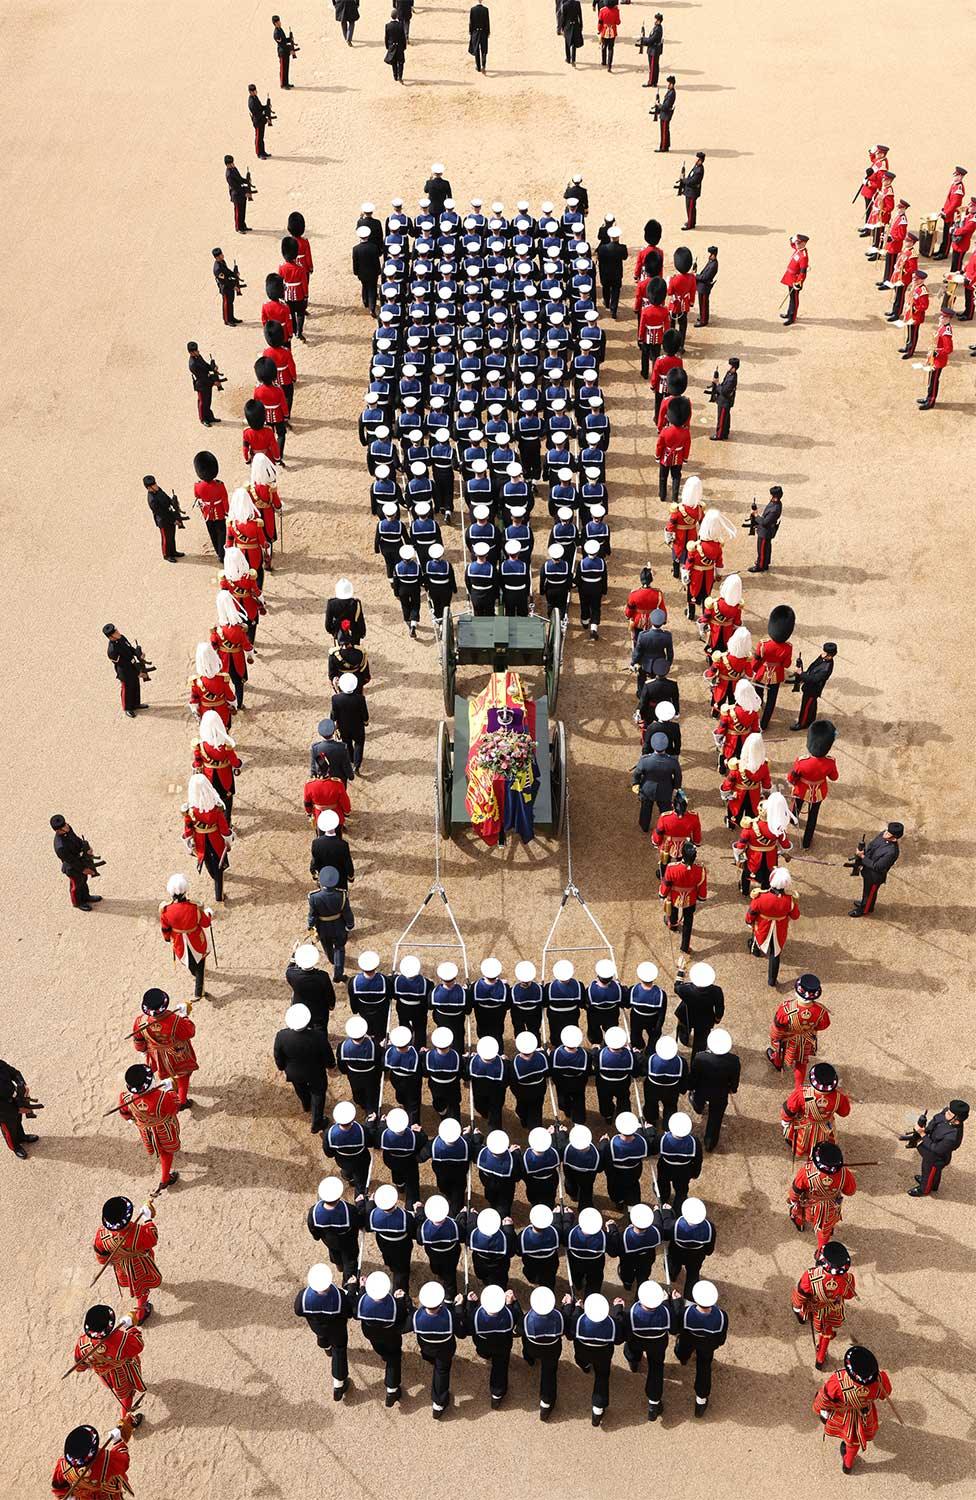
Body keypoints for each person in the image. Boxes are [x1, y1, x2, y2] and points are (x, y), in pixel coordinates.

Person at [812, 1345, 892, 1474]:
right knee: (854, 1442)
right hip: (864, 1415)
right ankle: (848, 1464)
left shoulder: (838, 1381)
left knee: (823, 1403)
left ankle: (825, 1416)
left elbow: (824, 1399)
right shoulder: (880, 1380)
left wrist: (818, 1409)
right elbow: (885, 1393)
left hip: (842, 1415)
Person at [70, 1305, 145, 1420]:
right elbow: (138, 1345)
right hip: (123, 1373)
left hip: (105, 1376)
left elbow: (80, 1366)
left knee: (123, 1394)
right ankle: (126, 1421)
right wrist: (130, 1327)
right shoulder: (119, 1338)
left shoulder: (82, 1342)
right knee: (127, 1396)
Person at [117, 1063, 181, 1191]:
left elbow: (125, 1113)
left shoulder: (125, 1098)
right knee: (166, 1152)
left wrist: (130, 1120)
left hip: (146, 1130)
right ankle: (165, 1179)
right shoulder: (164, 1097)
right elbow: (174, 1109)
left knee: (161, 1149)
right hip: (164, 1129)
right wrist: (170, 1090)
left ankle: (165, 1176)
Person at [792, 1241, 856, 1369]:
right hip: (832, 1309)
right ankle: (820, 1359)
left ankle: (801, 1316)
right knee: (826, 1332)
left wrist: (797, 1306)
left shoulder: (810, 1276)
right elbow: (849, 1295)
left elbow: (801, 1294)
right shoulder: (849, 1279)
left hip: (814, 1306)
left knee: (801, 1306)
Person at [132, 988, 198, 1110]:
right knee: (183, 1075)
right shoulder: (175, 1020)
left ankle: (166, 1087)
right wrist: (184, 1016)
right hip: (177, 1054)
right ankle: (182, 1101)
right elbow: (190, 1032)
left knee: (158, 1072)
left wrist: (142, 1050)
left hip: (155, 1054)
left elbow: (138, 1040)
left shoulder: (140, 1021)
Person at [294, 1263, 353, 1400]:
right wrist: (351, 1289)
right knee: (339, 1350)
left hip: (317, 1327)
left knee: (322, 1336)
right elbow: (349, 1312)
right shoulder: (338, 1297)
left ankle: (326, 1347)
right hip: (337, 1330)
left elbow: (298, 1311)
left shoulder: (303, 1296)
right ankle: (339, 1384)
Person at [353, 1269, 411, 1406]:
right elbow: (402, 1316)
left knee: (378, 1347)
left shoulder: (362, 1300)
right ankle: (392, 1390)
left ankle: (383, 1355)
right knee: (393, 1358)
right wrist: (402, 1299)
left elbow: (355, 1312)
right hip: (390, 1336)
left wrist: (362, 1288)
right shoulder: (394, 1305)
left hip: (370, 1333)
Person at [274, 1003, 334, 1133]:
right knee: (318, 1093)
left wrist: (282, 1067)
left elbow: (278, 1055)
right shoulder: (318, 1036)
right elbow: (327, 1054)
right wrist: (331, 1065)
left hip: (294, 1072)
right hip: (316, 1072)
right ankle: (317, 1121)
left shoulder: (282, 1036)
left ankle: (306, 1105)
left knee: (300, 1088)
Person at [672, 1280, 728, 1417]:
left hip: (688, 1340)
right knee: (704, 1369)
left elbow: (676, 1327)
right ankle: (701, 1402)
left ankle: (683, 1358)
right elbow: (721, 1339)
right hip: (707, 1346)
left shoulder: (686, 1313)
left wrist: (677, 1302)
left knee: (683, 1350)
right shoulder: (721, 1316)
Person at [569, 1291, 626, 1426]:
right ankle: (598, 1409)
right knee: (602, 1377)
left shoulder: (578, 1321)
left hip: (583, 1353)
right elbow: (618, 1340)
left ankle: (585, 1367)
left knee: (582, 1361)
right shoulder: (612, 1324)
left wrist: (577, 1308)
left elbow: (570, 1335)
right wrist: (618, 1309)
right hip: (603, 1356)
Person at [789, 1141, 856, 1249]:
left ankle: (799, 1222)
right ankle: (821, 1250)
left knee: (798, 1210)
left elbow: (795, 1190)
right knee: (825, 1231)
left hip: (809, 1206)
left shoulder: (806, 1172)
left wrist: (793, 1200)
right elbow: (850, 1191)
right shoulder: (845, 1174)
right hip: (830, 1208)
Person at [413, 1282, 466, 1417]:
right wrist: (459, 1307)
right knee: (441, 1373)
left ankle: (438, 1404)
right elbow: (461, 1334)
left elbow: (403, 1328)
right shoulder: (450, 1316)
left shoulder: (417, 1317)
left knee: (433, 1362)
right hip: (445, 1351)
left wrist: (405, 1303)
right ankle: (438, 1404)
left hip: (427, 1349)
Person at [767, 973, 830, 1088]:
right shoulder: (821, 1011)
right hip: (806, 1039)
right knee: (802, 1062)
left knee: (780, 1051)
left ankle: (777, 1063)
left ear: (797, 991)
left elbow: (777, 1028)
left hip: (788, 1039)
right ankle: (798, 1088)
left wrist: (775, 1038)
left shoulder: (786, 1008)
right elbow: (824, 1025)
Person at [781, 1060, 850, 1160]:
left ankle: (799, 1147)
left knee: (800, 1138)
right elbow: (844, 1112)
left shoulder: (801, 1093)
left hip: (805, 1126)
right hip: (825, 1127)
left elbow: (789, 1109)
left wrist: (785, 1121)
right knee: (824, 1141)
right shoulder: (840, 1098)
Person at [51, 1419, 134, 1500]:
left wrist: (68, 1497)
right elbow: (124, 1461)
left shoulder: (63, 1465)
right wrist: (117, 1441)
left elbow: (58, 1486)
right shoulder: (106, 1459)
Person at [787, 718, 838, 847]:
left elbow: (792, 779)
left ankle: (793, 819)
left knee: (797, 805)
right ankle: (806, 843)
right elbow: (834, 777)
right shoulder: (830, 762)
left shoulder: (802, 761)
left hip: (802, 790)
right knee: (813, 817)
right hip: (819, 792)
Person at [159, 873, 212, 999]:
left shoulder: (165, 910)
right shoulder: (194, 907)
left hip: (179, 941)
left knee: (189, 962)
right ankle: (199, 991)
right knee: (200, 963)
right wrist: (209, 914)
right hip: (196, 939)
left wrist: (167, 938)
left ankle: (195, 975)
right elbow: (206, 923)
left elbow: (165, 929)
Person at [901, 1099, 968, 1197]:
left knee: (929, 1171)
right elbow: (937, 1118)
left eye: (949, 1114)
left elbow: (936, 1149)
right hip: (931, 1151)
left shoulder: (952, 1137)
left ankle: (925, 1189)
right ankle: (933, 1184)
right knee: (934, 1172)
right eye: (948, 1110)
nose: (946, 1113)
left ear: (957, 1120)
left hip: (936, 1158)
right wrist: (926, 1129)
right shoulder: (947, 1114)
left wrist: (922, 1134)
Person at [182, 772, 232, 902]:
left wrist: (188, 842)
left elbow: (188, 829)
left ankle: (214, 877)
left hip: (200, 839)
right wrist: (229, 839)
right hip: (216, 839)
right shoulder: (216, 809)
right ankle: (218, 894)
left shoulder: (190, 811)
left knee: (207, 861)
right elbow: (224, 828)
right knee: (218, 867)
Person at [746, 867, 800, 986]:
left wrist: (749, 921)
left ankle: (755, 951)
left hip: (762, 924)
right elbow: (795, 916)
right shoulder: (789, 900)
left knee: (757, 936)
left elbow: (751, 913)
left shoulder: (760, 897)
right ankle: (772, 980)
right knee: (775, 953)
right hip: (780, 927)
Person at [688, 1028, 740, 1150]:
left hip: (702, 1090)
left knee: (698, 1100)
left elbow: (694, 1077)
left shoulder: (700, 1057)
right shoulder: (733, 1061)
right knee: (716, 1118)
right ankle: (709, 1143)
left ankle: (698, 1107)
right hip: (720, 1093)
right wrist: (733, 1089)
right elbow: (734, 1079)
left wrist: (690, 1086)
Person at [307, 1177, 363, 1284]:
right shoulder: (349, 1210)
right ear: (338, 1197)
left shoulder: (314, 1211)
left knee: (334, 1252)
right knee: (350, 1261)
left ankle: (339, 1266)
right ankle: (348, 1282)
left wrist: (317, 1237)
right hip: (348, 1241)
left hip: (329, 1240)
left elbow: (313, 1228)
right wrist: (361, 1204)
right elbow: (360, 1222)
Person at [521, 1285, 565, 1420]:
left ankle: (529, 1359)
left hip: (533, 1348)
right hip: (552, 1350)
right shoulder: (558, 1316)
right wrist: (567, 1306)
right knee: (549, 1374)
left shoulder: (527, 1318)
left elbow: (518, 1329)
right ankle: (546, 1403)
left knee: (527, 1344)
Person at [659, 840, 707, 954]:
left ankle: (673, 925)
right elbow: (702, 886)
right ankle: (685, 946)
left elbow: (666, 884)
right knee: (688, 921)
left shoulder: (672, 868)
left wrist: (662, 894)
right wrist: (701, 897)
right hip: (690, 898)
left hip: (675, 896)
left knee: (673, 910)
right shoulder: (700, 870)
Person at [307, 869, 354, 980]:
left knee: (327, 946)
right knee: (340, 948)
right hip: (339, 926)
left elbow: (312, 915)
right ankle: (338, 973)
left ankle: (332, 959)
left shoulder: (314, 897)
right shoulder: (342, 895)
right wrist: (349, 925)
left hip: (322, 927)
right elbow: (347, 912)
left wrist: (311, 927)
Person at [849, 821, 903, 916]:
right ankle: (865, 903)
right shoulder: (883, 834)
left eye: (888, 834)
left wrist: (862, 857)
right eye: (886, 831)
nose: (884, 834)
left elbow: (877, 866)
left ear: (894, 838)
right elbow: (871, 845)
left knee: (870, 894)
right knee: (866, 891)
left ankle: (865, 909)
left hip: (874, 876)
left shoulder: (892, 852)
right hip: (867, 870)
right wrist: (863, 852)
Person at [50, 814, 102, 911]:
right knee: (76, 885)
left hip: (80, 860)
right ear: (58, 831)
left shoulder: (68, 829)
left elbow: (77, 839)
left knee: (83, 880)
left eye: (65, 824)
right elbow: (71, 861)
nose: (67, 826)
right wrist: (83, 869)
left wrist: (87, 848)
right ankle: (77, 902)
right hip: (73, 868)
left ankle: (86, 896)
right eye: (64, 827)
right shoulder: (60, 847)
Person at [633, 731, 682, 833]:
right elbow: (678, 776)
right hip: (665, 789)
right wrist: (676, 788)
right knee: (665, 811)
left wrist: (636, 783)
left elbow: (637, 773)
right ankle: (666, 828)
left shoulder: (645, 760)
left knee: (645, 809)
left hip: (647, 789)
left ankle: (644, 826)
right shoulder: (672, 762)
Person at [673, 962, 724, 1056]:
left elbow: (676, 987)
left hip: (686, 1015)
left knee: (684, 1029)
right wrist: (717, 1018)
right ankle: (696, 1062)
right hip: (705, 1020)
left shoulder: (685, 989)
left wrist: (681, 971)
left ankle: (684, 1039)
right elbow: (719, 1007)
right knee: (700, 1044)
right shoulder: (716, 991)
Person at [103, 624, 150, 717]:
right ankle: (127, 708)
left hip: (133, 666)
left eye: (116, 630)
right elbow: (121, 663)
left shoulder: (122, 637)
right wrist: (137, 670)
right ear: (110, 637)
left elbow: (129, 648)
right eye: (115, 632)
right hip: (124, 671)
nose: (118, 632)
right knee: (127, 689)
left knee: (136, 685)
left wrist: (138, 654)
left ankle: (136, 703)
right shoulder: (112, 650)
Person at [286, 943, 337, 1028]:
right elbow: (329, 992)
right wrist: (331, 1004)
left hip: (300, 1005)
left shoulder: (292, 974)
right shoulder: (322, 976)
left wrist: (295, 953)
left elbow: (290, 968)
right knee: (321, 1027)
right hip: (319, 1008)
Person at [788, 642, 836, 730]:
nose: (822, 653)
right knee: (811, 705)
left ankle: (802, 723)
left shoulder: (826, 668)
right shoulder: (823, 659)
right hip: (810, 687)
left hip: (812, 690)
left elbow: (813, 679)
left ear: (829, 656)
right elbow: (812, 667)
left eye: (825, 653)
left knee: (806, 707)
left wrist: (801, 674)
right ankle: (811, 719)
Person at [142, 475, 185, 562]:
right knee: (166, 538)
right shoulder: (152, 500)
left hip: (170, 515)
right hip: (163, 521)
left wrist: (173, 502)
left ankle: (173, 551)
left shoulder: (158, 489)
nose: (156, 486)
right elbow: (162, 514)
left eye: (155, 484)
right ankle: (166, 554)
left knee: (172, 536)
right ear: (149, 488)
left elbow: (166, 497)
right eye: (153, 485)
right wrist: (174, 520)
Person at [918, 308, 953, 409]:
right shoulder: (942, 327)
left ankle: (931, 401)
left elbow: (948, 349)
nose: (940, 318)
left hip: (939, 360)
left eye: (942, 317)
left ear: (947, 319)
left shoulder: (946, 333)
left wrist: (936, 352)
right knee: (931, 380)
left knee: (934, 381)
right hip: (935, 358)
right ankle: (928, 397)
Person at [596, 226, 628, 316]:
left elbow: (600, 259)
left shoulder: (602, 248)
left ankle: (606, 303)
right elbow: (625, 257)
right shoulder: (622, 248)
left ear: (610, 237)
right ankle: (614, 310)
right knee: (616, 291)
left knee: (605, 288)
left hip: (605, 273)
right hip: (617, 273)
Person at [188, 341, 220, 426]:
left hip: (207, 382)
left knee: (208, 401)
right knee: (202, 402)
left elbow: (205, 365)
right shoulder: (193, 364)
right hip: (201, 384)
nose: (197, 351)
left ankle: (209, 417)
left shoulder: (198, 356)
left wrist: (212, 368)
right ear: (191, 353)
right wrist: (214, 382)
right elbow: (202, 377)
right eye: (195, 350)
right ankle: (203, 419)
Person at [781, 234, 809, 325]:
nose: (796, 244)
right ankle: (789, 313)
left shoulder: (803, 256)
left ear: (804, 243)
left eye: (798, 242)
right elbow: (793, 245)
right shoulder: (798, 249)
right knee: (791, 297)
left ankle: (792, 317)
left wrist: (799, 282)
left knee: (794, 299)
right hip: (790, 277)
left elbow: (803, 272)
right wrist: (791, 239)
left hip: (795, 280)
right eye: (796, 242)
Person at [353, 225, 381, 314]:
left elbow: (355, 262)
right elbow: (376, 261)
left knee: (364, 286)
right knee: (372, 289)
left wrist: (356, 272)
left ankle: (365, 302)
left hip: (362, 273)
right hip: (373, 272)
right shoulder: (373, 247)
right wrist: (378, 270)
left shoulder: (356, 249)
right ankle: (372, 307)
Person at [708, 357, 738, 440]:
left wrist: (717, 384)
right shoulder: (730, 374)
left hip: (724, 401)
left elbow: (724, 391)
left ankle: (719, 435)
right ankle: (725, 433)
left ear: (734, 368)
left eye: (730, 366)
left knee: (721, 419)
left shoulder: (732, 379)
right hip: (725, 400)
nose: (728, 367)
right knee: (725, 418)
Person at [225, 153, 252, 233]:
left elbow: (239, 179)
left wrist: (246, 180)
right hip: (236, 194)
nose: (232, 164)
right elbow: (235, 187)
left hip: (241, 193)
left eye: (232, 163)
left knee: (243, 210)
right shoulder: (229, 175)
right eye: (230, 163)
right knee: (238, 212)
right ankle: (238, 227)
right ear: (227, 165)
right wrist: (245, 192)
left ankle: (243, 225)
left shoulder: (234, 169)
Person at [695, 245, 719, 327]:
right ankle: (702, 316)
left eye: (711, 254)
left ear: (714, 254)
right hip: (702, 286)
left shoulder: (713, 265)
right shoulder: (711, 261)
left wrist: (695, 276)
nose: (709, 255)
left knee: (704, 304)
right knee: (701, 303)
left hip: (705, 286)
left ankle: (703, 321)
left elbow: (705, 277)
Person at [247, 83, 272, 159]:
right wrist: (265, 116)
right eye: (253, 91)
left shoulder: (255, 98)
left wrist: (266, 107)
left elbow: (260, 107)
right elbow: (257, 113)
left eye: (255, 90)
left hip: (261, 120)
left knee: (261, 137)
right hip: (258, 121)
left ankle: (263, 151)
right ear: (250, 92)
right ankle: (259, 153)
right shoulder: (251, 102)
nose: (255, 92)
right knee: (258, 138)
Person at [682, 152, 705, 230]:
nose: (695, 160)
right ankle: (691, 221)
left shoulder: (699, 170)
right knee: (689, 208)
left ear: (700, 160)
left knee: (691, 208)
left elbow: (692, 181)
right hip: (689, 191)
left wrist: (684, 180)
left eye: (697, 158)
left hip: (692, 192)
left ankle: (690, 224)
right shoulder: (696, 167)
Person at [272, 15, 297, 87]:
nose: (279, 23)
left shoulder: (280, 29)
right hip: (282, 52)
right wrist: (290, 49)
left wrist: (290, 39)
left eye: (279, 21)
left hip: (285, 51)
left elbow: (284, 40)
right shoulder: (276, 33)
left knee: (286, 68)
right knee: (283, 69)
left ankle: (286, 83)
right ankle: (283, 84)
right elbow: (282, 44)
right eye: (277, 22)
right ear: (274, 24)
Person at [653, 75, 676, 152]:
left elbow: (666, 106)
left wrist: (658, 105)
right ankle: (665, 145)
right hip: (664, 114)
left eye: (669, 84)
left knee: (664, 131)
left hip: (666, 114)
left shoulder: (672, 93)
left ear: (672, 84)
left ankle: (664, 147)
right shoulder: (670, 92)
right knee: (664, 131)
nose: (668, 85)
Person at [384, 10, 407, 82]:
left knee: (394, 62)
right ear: (397, 16)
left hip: (392, 46)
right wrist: (404, 47)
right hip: (399, 47)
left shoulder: (388, 26)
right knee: (401, 62)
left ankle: (395, 76)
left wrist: (388, 47)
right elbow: (403, 37)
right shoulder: (400, 25)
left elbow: (386, 37)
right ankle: (400, 76)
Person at [560, 0, 584, 65]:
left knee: (567, 43)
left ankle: (568, 59)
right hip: (576, 25)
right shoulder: (577, 3)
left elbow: (563, 18)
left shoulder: (564, 5)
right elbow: (580, 15)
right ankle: (573, 59)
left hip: (567, 26)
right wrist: (581, 25)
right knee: (574, 43)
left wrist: (562, 27)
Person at [597, 4, 620, 71]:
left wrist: (599, 29)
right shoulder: (616, 11)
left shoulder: (602, 10)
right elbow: (618, 22)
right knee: (611, 48)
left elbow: (600, 22)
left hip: (604, 30)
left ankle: (604, 61)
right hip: (612, 30)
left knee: (604, 46)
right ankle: (609, 65)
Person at [469, 2, 490, 70]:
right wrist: (488, 32)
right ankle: (483, 65)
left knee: (476, 49)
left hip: (475, 32)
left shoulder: (473, 9)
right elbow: (487, 22)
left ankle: (478, 67)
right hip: (483, 32)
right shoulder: (486, 9)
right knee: (484, 49)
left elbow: (471, 22)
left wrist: (470, 31)